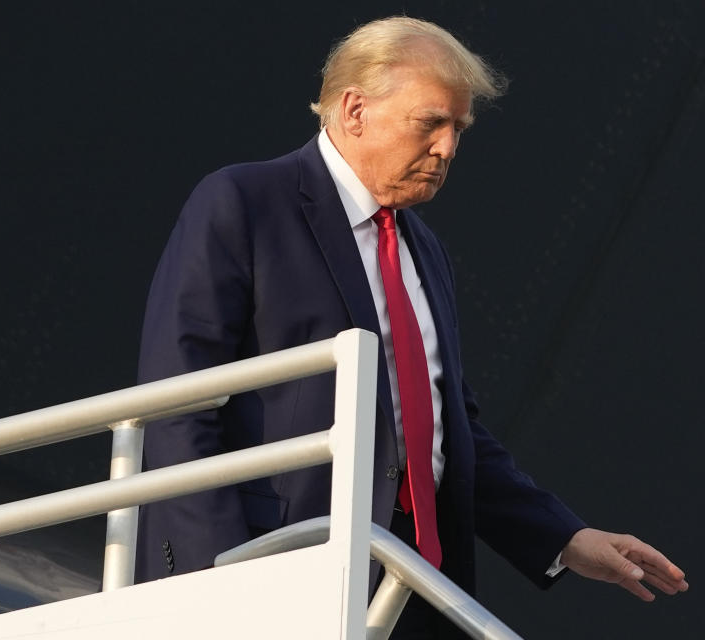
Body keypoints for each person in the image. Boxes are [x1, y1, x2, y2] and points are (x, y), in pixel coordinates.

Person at [134, 16, 687, 637]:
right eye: (430, 123)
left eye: (459, 129)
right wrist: (227, 577)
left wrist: (566, 536)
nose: (448, 147)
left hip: (410, 587)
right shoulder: (244, 203)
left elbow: (448, 434)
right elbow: (177, 407)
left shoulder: (424, 251)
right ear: (353, 110)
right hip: (279, 576)